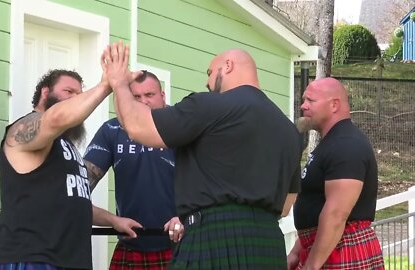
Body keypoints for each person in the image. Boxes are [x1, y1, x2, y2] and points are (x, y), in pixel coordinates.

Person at [101, 41, 302, 269]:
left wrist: (119, 83)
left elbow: (137, 127)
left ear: (227, 66)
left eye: (209, 72)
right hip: (268, 246)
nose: (207, 82)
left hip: (213, 238)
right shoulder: (289, 130)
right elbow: (287, 205)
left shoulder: (208, 105)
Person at [0, 67, 143, 270]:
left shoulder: (66, 146)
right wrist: (107, 85)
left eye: (79, 94)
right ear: (46, 93)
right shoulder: (21, 130)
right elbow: (55, 118)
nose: (76, 99)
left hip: (71, 261)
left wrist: (114, 220)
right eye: (68, 92)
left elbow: (74, 201)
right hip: (32, 259)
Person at [83, 70, 183, 270]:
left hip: (179, 244)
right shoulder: (111, 130)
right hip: (131, 244)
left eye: (150, 95)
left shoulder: (182, 126)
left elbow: (210, 183)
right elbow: (77, 190)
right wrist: (113, 220)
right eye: (136, 97)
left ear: (163, 96)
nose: (143, 101)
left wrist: (187, 215)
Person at [288, 77, 384, 270]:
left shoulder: (346, 144)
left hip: (343, 247)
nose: (303, 106)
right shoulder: (332, 143)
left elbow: (336, 213)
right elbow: (317, 205)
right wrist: (296, 253)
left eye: (310, 101)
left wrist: (312, 265)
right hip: (328, 247)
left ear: (334, 105)